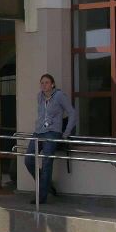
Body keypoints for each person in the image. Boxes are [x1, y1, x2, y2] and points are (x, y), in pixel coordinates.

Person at [25, 73, 77, 204]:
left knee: (47, 162)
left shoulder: (59, 96)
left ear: (52, 84)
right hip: (39, 132)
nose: (44, 85)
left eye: (47, 82)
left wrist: (66, 133)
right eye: (42, 83)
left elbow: (72, 113)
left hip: (52, 132)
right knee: (29, 160)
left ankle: (41, 197)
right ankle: (46, 184)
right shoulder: (39, 96)